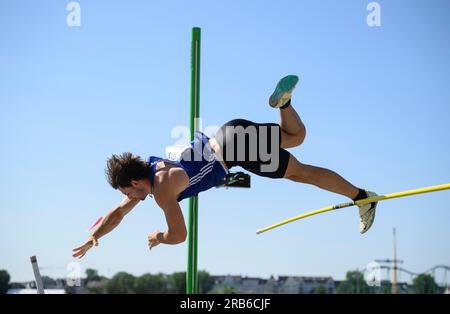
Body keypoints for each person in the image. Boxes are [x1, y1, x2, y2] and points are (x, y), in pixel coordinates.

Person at [72, 75, 378, 259]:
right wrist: (94, 237)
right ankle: (284, 104)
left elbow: (180, 235)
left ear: (135, 182)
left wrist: (158, 237)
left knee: (302, 172)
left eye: (128, 191)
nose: (129, 198)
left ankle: (362, 197)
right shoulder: (152, 169)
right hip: (231, 131)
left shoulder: (163, 191)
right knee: (296, 138)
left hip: (236, 151)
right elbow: (118, 213)